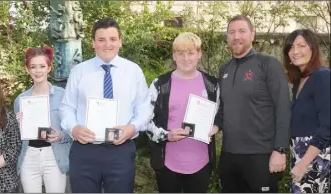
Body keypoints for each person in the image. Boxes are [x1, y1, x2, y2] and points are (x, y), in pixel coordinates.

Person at [59, 17, 152, 193]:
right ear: (93, 43)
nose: (107, 44)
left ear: (120, 42)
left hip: (120, 151)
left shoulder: (133, 71)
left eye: (112, 39)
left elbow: (144, 108)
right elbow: (66, 107)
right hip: (85, 150)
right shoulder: (79, 72)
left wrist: (132, 128)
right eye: (101, 39)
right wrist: (74, 129)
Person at [218, 15, 291, 192]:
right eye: (232, 32)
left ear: (252, 34)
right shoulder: (224, 69)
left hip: (261, 156)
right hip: (229, 156)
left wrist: (280, 149)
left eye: (242, 31)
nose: (236, 36)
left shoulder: (268, 64)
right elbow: (221, 110)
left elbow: (283, 107)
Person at [145, 32, 222, 193]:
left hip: (201, 163)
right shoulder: (159, 84)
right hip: (168, 164)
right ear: (174, 56)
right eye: (180, 53)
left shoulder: (212, 85)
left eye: (191, 53)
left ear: (199, 55)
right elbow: (146, 121)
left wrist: (214, 128)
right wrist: (166, 135)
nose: (186, 58)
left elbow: (221, 115)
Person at [14, 46, 72, 193]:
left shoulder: (62, 95)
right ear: (27, 69)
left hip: (54, 155)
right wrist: (18, 123)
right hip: (29, 156)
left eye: (42, 66)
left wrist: (61, 136)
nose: (37, 71)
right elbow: (17, 136)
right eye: (33, 67)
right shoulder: (20, 100)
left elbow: (73, 129)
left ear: (49, 68)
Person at [283, 29, 330, 193]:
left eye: (301, 46)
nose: (295, 51)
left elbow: (327, 126)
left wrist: (304, 163)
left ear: (313, 48)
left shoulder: (323, 77)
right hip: (299, 153)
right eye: (291, 47)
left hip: (315, 157)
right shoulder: (299, 81)